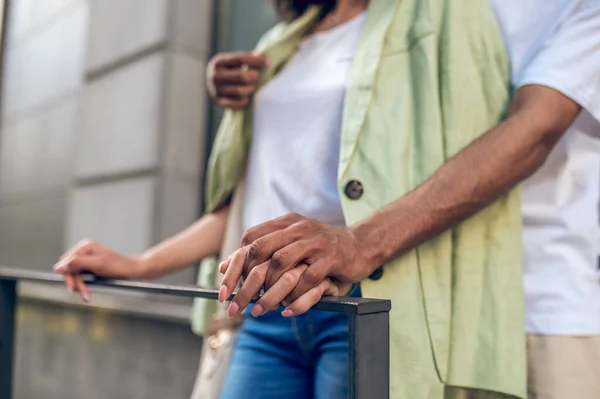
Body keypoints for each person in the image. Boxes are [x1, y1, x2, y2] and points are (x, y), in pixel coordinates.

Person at [52, 1, 599, 399]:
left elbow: (519, 137)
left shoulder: (426, 28)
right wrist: (140, 264)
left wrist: (358, 243)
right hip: (265, 313)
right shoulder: (280, 47)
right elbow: (250, 203)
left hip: (358, 303)